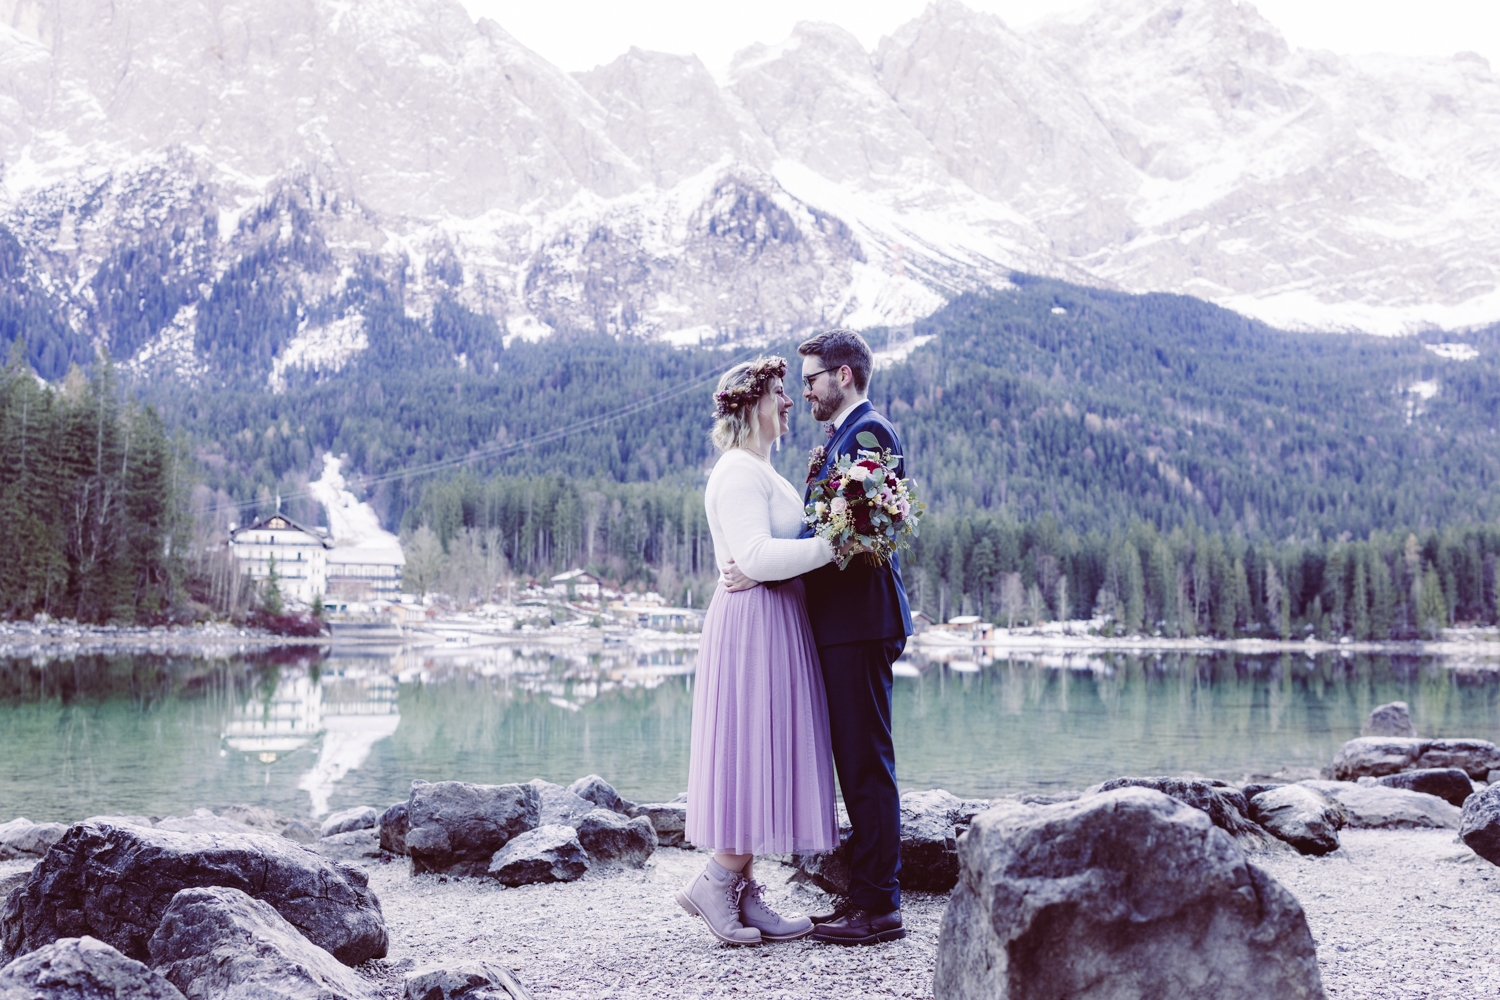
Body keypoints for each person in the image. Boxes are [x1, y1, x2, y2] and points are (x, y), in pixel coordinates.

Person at [723, 329, 912, 945]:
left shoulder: (868, 433)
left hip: (859, 624)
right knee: (856, 765)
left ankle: (879, 909)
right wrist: (755, 562)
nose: (802, 392)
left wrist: (758, 563)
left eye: (811, 379)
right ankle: (867, 899)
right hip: (842, 628)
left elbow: (858, 530)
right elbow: (828, 525)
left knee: (866, 767)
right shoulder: (844, 438)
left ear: (845, 376)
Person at [677, 356, 842, 946]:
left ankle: (744, 894)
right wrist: (834, 543)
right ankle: (716, 883)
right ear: (751, 406)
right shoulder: (737, 472)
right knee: (750, 747)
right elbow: (754, 558)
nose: (789, 402)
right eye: (778, 392)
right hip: (752, 625)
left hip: (773, 620)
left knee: (761, 748)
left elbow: (763, 556)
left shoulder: (761, 471)